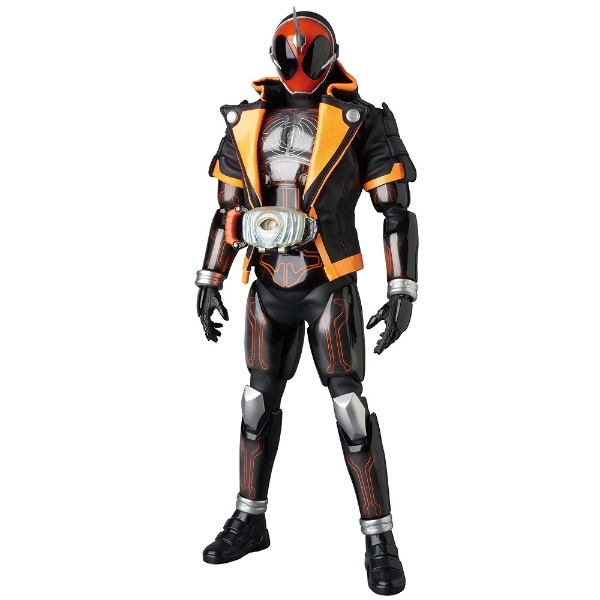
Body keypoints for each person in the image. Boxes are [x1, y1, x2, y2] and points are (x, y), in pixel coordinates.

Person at [196, 10, 418, 596]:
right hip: (267, 279)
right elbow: (227, 211)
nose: (298, 60)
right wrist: (210, 277)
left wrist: (401, 288)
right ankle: (249, 519)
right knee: (255, 403)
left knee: (349, 408)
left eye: (309, 51)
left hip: (327, 282)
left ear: (328, 54)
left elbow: (395, 209)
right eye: (289, 51)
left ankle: (379, 539)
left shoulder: (361, 119)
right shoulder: (246, 120)